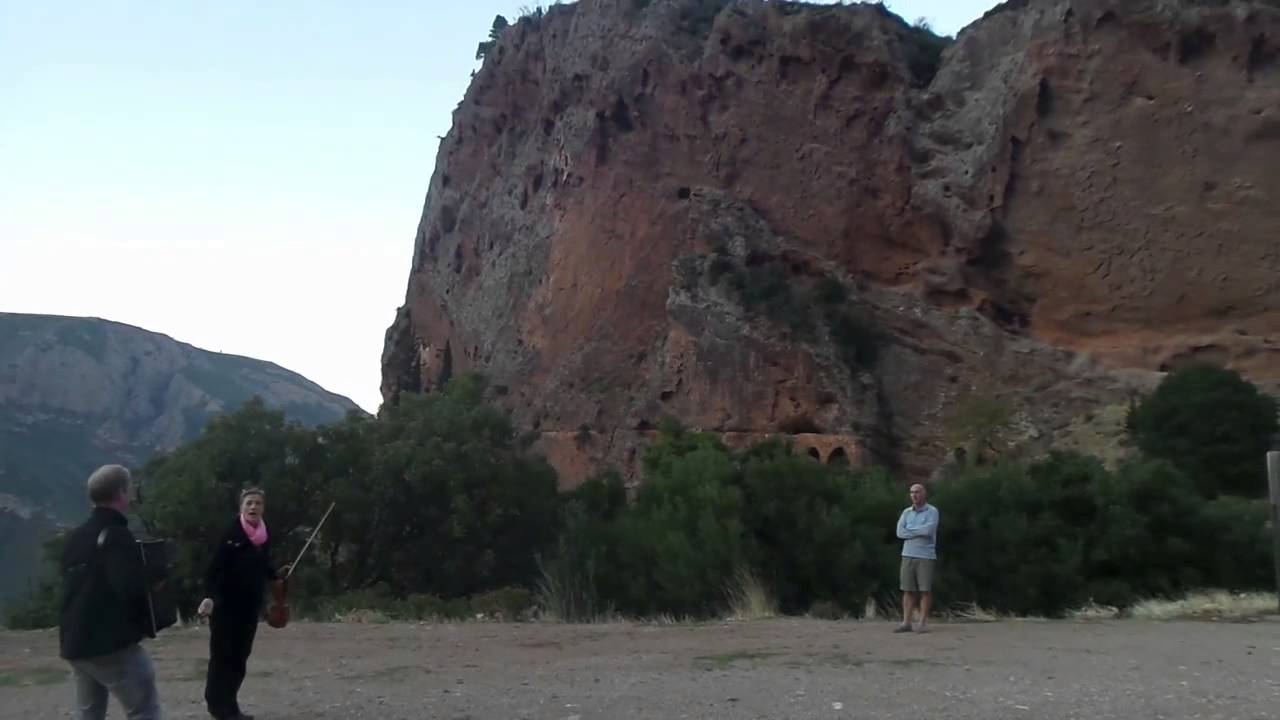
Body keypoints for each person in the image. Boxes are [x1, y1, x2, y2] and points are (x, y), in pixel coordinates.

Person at [58, 464, 163, 720]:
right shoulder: (116, 535)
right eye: (129, 488)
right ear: (121, 493)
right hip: (110, 644)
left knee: (90, 714)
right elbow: (129, 589)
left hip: (75, 642)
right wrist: (155, 577)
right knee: (144, 709)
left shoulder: (77, 536)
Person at [197, 488, 286, 720]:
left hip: (250, 608)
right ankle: (217, 706)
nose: (253, 507)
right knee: (222, 657)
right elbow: (212, 571)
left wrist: (276, 576)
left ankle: (231, 705)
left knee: (240, 658)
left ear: (263, 508)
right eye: (249, 503)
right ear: (241, 507)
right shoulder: (230, 533)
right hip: (226, 608)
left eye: (257, 503)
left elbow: (264, 564)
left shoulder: (263, 536)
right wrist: (209, 597)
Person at [894, 482, 939, 633]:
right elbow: (900, 532)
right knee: (907, 589)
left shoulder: (932, 511)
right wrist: (917, 531)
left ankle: (922, 623)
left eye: (917, 492)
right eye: (912, 492)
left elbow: (928, 530)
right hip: (907, 554)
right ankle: (906, 622)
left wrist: (910, 531)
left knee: (925, 590)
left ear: (924, 494)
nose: (914, 495)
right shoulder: (906, 512)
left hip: (925, 555)